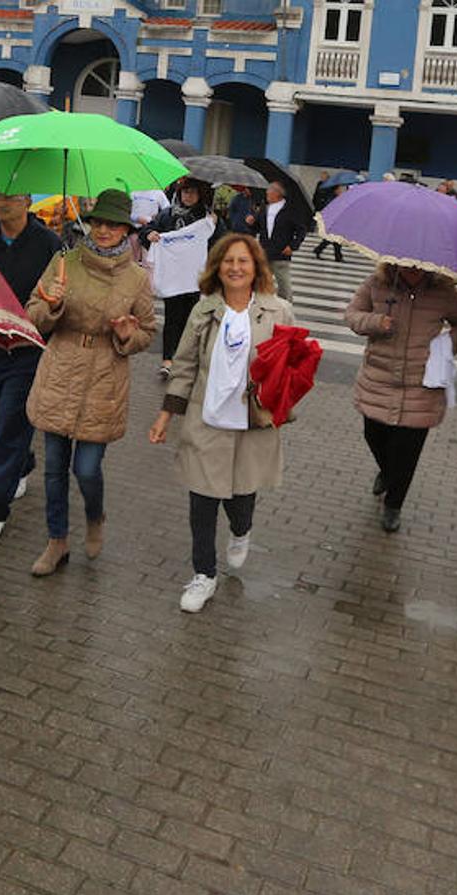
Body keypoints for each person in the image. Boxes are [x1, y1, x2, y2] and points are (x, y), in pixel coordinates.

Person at [148, 234, 296, 613]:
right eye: (228, 261)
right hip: (206, 418)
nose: (235, 268)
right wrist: (166, 416)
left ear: (256, 267)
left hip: (253, 421)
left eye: (243, 261)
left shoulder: (278, 310)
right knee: (202, 498)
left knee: (241, 496)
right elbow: (183, 366)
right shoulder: (204, 311)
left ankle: (241, 529)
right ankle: (204, 574)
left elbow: (292, 366)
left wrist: (282, 398)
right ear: (217, 266)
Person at [23, 190, 157, 575]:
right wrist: (51, 305)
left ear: (125, 230)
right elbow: (33, 312)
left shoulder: (135, 278)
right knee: (53, 468)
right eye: (97, 222)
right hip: (61, 368)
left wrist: (129, 333)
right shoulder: (65, 261)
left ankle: (95, 516)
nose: (102, 230)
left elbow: (148, 331)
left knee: (86, 468)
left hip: (104, 377)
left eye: (112, 225)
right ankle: (57, 540)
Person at [343, 263, 457, 532]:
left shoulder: (444, 292)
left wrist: (446, 344)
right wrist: (376, 322)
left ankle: (394, 505)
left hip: (422, 383)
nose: (414, 268)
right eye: (408, 263)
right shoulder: (377, 284)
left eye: (419, 264)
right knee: (374, 435)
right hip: (379, 377)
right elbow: (353, 315)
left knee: (407, 451)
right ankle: (387, 473)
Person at [0, 192, 63, 543]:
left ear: (26, 201)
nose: (0, 203)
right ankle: (21, 463)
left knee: (10, 421)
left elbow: (57, 298)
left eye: (9, 197)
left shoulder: (48, 244)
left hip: (28, 348)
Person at [140, 178, 220, 381]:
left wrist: (214, 226)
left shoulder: (206, 218)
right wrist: (150, 235)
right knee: (172, 319)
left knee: (192, 321)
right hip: (172, 277)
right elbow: (146, 231)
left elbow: (222, 241)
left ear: (199, 194)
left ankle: (187, 361)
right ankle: (167, 360)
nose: (188, 196)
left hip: (196, 278)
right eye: (184, 192)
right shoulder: (167, 214)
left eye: (192, 192)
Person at [253, 181, 306, 303]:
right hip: (265, 251)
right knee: (261, 281)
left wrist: (293, 246)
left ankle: (287, 307)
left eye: (268, 191)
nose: (266, 194)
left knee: (283, 285)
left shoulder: (290, 210)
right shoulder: (264, 208)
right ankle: (260, 304)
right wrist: (251, 222)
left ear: (277, 194)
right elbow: (257, 227)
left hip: (281, 252)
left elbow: (301, 230)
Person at [312, 184, 347, 262]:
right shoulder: (333, 199)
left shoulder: (336, 198)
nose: (341, 191)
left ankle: (320, 250)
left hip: (335, 221)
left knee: (334, 239)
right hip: (333, 221)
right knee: (335, 239)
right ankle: (337, 256)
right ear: (336, 190)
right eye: (340, 189)